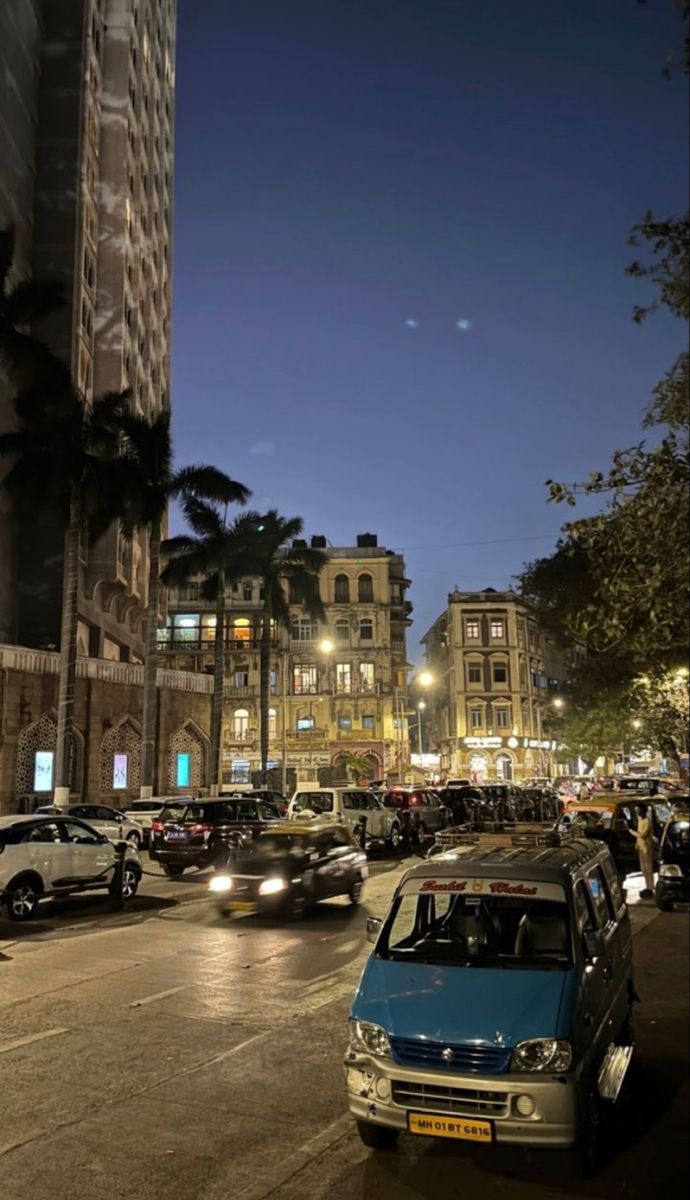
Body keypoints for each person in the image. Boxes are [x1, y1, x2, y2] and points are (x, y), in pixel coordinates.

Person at [631, 802, 655, 898]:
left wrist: (631, 832)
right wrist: (637, 845)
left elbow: (642, 835)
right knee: (644, 869)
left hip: (647, 848)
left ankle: (650, 888)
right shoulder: (640, 820)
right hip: (641, 848)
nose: (637, 812)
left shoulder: (647, 821)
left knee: (648, 869)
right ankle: (647, 887)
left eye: (638, 810)